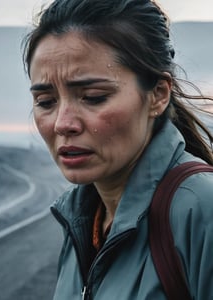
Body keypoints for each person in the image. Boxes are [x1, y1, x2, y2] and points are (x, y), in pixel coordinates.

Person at [22, 0, 213, 299]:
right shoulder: (82, 221)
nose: (62, 123)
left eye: (93, 97)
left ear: (158, 95)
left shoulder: (203, 209)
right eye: (46, 102)